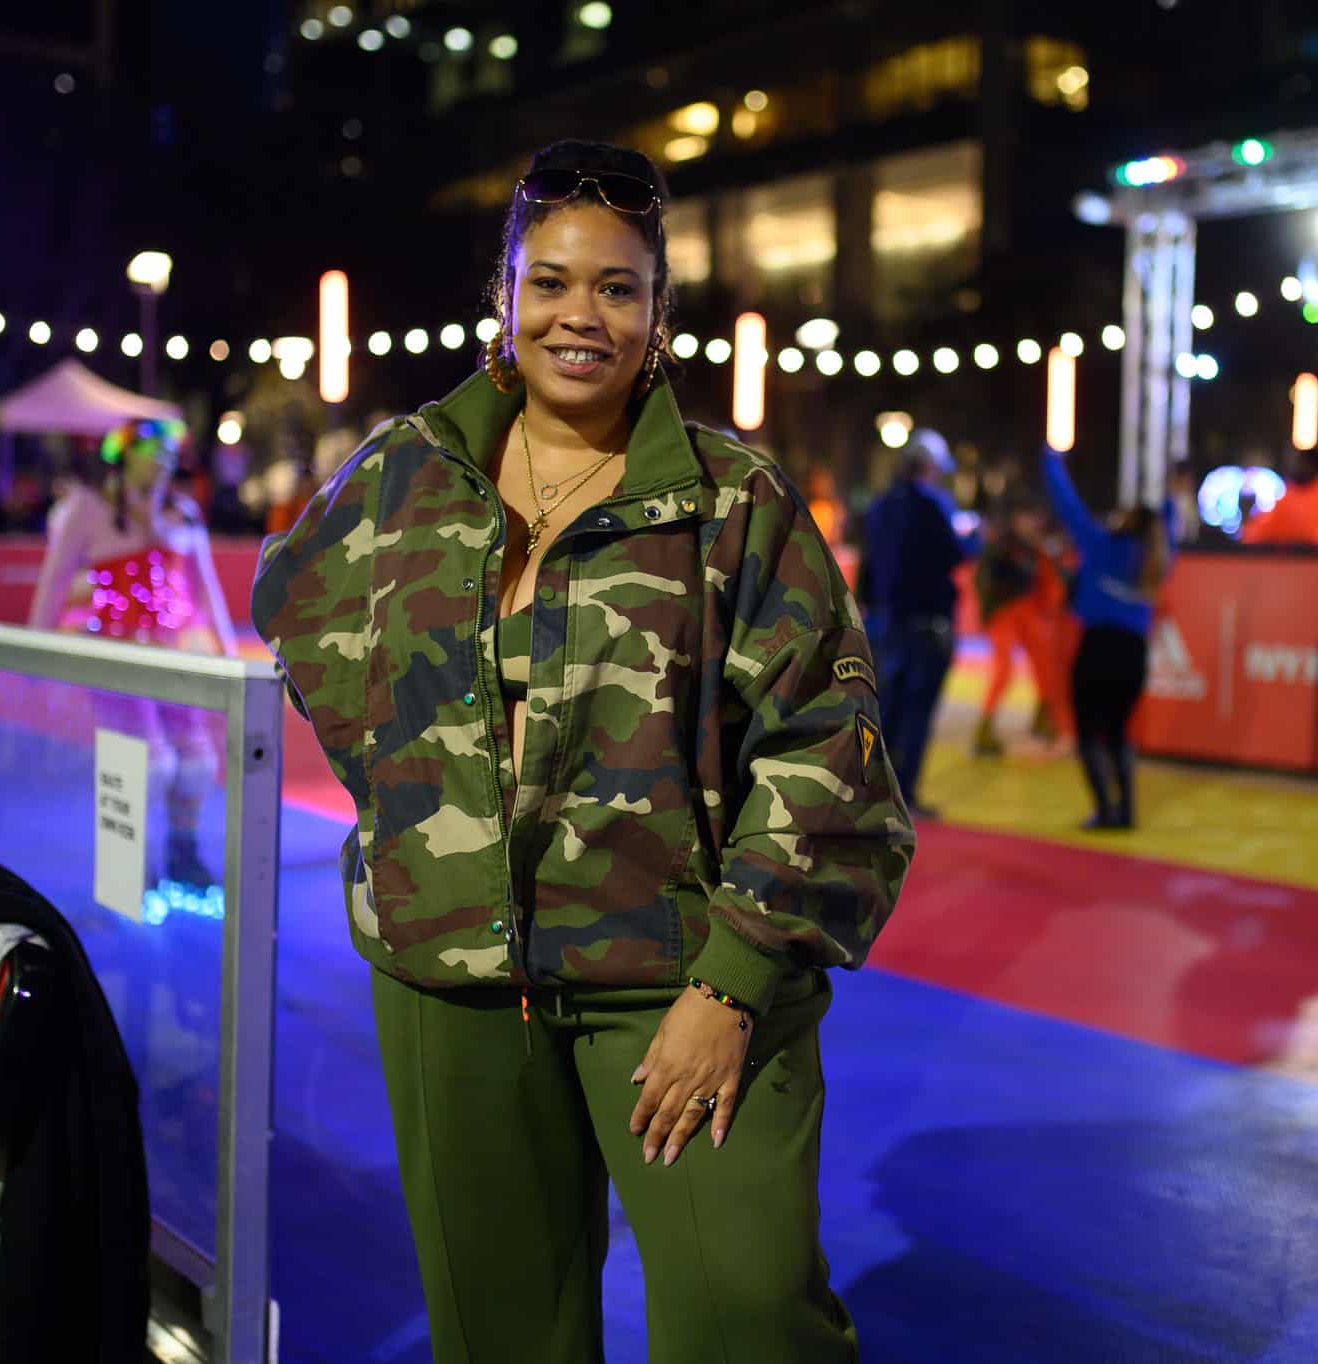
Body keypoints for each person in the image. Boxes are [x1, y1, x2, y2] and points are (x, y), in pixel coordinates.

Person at [250, 139, 913, 1364]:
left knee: (743, 1312)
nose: (580, 315)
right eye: (550, 280)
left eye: (616, 287)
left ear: (658, 312)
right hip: (452, 985)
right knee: (500, 1332)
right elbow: (297, 608)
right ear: (505, 295)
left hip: (678, 980)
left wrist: (729, 983)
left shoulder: (732, 498)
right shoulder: (408, 472)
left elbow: (830, 746)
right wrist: (414, 804)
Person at [26, 418, 237, 889]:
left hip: (171, 654)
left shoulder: (182, 512)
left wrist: (229, 658)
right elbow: (55, 582)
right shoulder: (89, 509)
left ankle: (184, 855)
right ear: (123, 456)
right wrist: (33, 652)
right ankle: (130, 868)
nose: (162, 464)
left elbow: (207, 593)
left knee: (197, 761)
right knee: (146, 763)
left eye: (168, 455)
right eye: (151, 453)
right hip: (115, 653)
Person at [1041, 445, 1174, 829]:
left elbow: (1068, 506)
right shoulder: (1157, 561)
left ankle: (1104, 809)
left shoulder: (1101, 547)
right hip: (1133, 654)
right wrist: (1171, 492)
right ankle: (1127, 810)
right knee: (1118, 734)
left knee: (1087, 736)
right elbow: (1169, 520)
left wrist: (1051, 462)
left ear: (1126, 521)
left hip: (1097, 649)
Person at [854, 428, 980, 815]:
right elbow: (955, 554)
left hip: (886, 621)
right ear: (929, 466)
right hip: (926, 624)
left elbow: (869, 563)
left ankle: (870, 792)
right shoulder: (932, 505)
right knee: (917, 712)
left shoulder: (881, 505)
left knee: (882, 710)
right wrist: (975, 538)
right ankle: (903, 794)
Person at [972, 503, 1076, 757]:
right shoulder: (1005, 546)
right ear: (1018, 518)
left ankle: (1043, 717)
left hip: (1027, 613)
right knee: (1004, 669)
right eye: (1031, 517)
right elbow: (985, 580)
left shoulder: (1033, 548)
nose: (1034, 523)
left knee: (1044, 665)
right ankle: (985, 727)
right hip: (1007, 612)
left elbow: (1052, 580)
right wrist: (992, 610)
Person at [1240, 446, 1318, 547]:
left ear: (1313, 465)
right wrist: (1247, 539)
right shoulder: (1291, 491)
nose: (1295, 467)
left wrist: (1314, 541)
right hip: (1289, 561)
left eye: (1301, 463)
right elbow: (1265, 528)